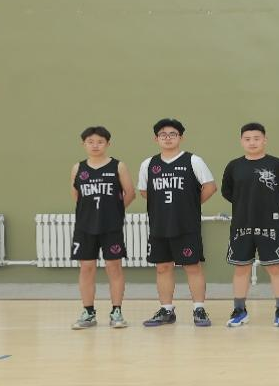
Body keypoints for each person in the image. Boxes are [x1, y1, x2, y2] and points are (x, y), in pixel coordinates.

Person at [220, 122, 279, 327]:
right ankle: (240, 310)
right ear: (241, 141)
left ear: (265, 140)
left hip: (270, 225)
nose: (252, 142)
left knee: (275, 267)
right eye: (247, 139)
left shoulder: (277, 164)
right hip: (242, 225)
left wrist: (275, 203)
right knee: (241, 268)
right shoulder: (234, 166)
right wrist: (243, 205)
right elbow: (226, 191)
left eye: (256, 138)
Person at [138, 118, 217, 327]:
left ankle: (199, 309)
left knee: (192, 266)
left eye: (172, 134)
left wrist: (190, 204)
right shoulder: (148, 164)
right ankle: (166, 310)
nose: (168, 138)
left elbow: (210, 186)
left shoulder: (193, 160)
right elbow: (145, 191)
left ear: (180, 137)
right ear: (156, 139)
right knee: (163, 267)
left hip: (186, 224)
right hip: (159, 225)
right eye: (163, 135)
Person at [69, 126, 135, 329]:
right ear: (84, 144)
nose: (95, 145)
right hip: (85, 227)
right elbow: (76, 196)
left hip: (110, 227)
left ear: (108, 144)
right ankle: (88, 312)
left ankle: (116, 311)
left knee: (113, 267)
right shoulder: (78, 168)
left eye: (100, 142)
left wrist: (114, 212)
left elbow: (130, 193)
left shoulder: (118, 166)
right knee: (86, 268)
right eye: (90, 142)